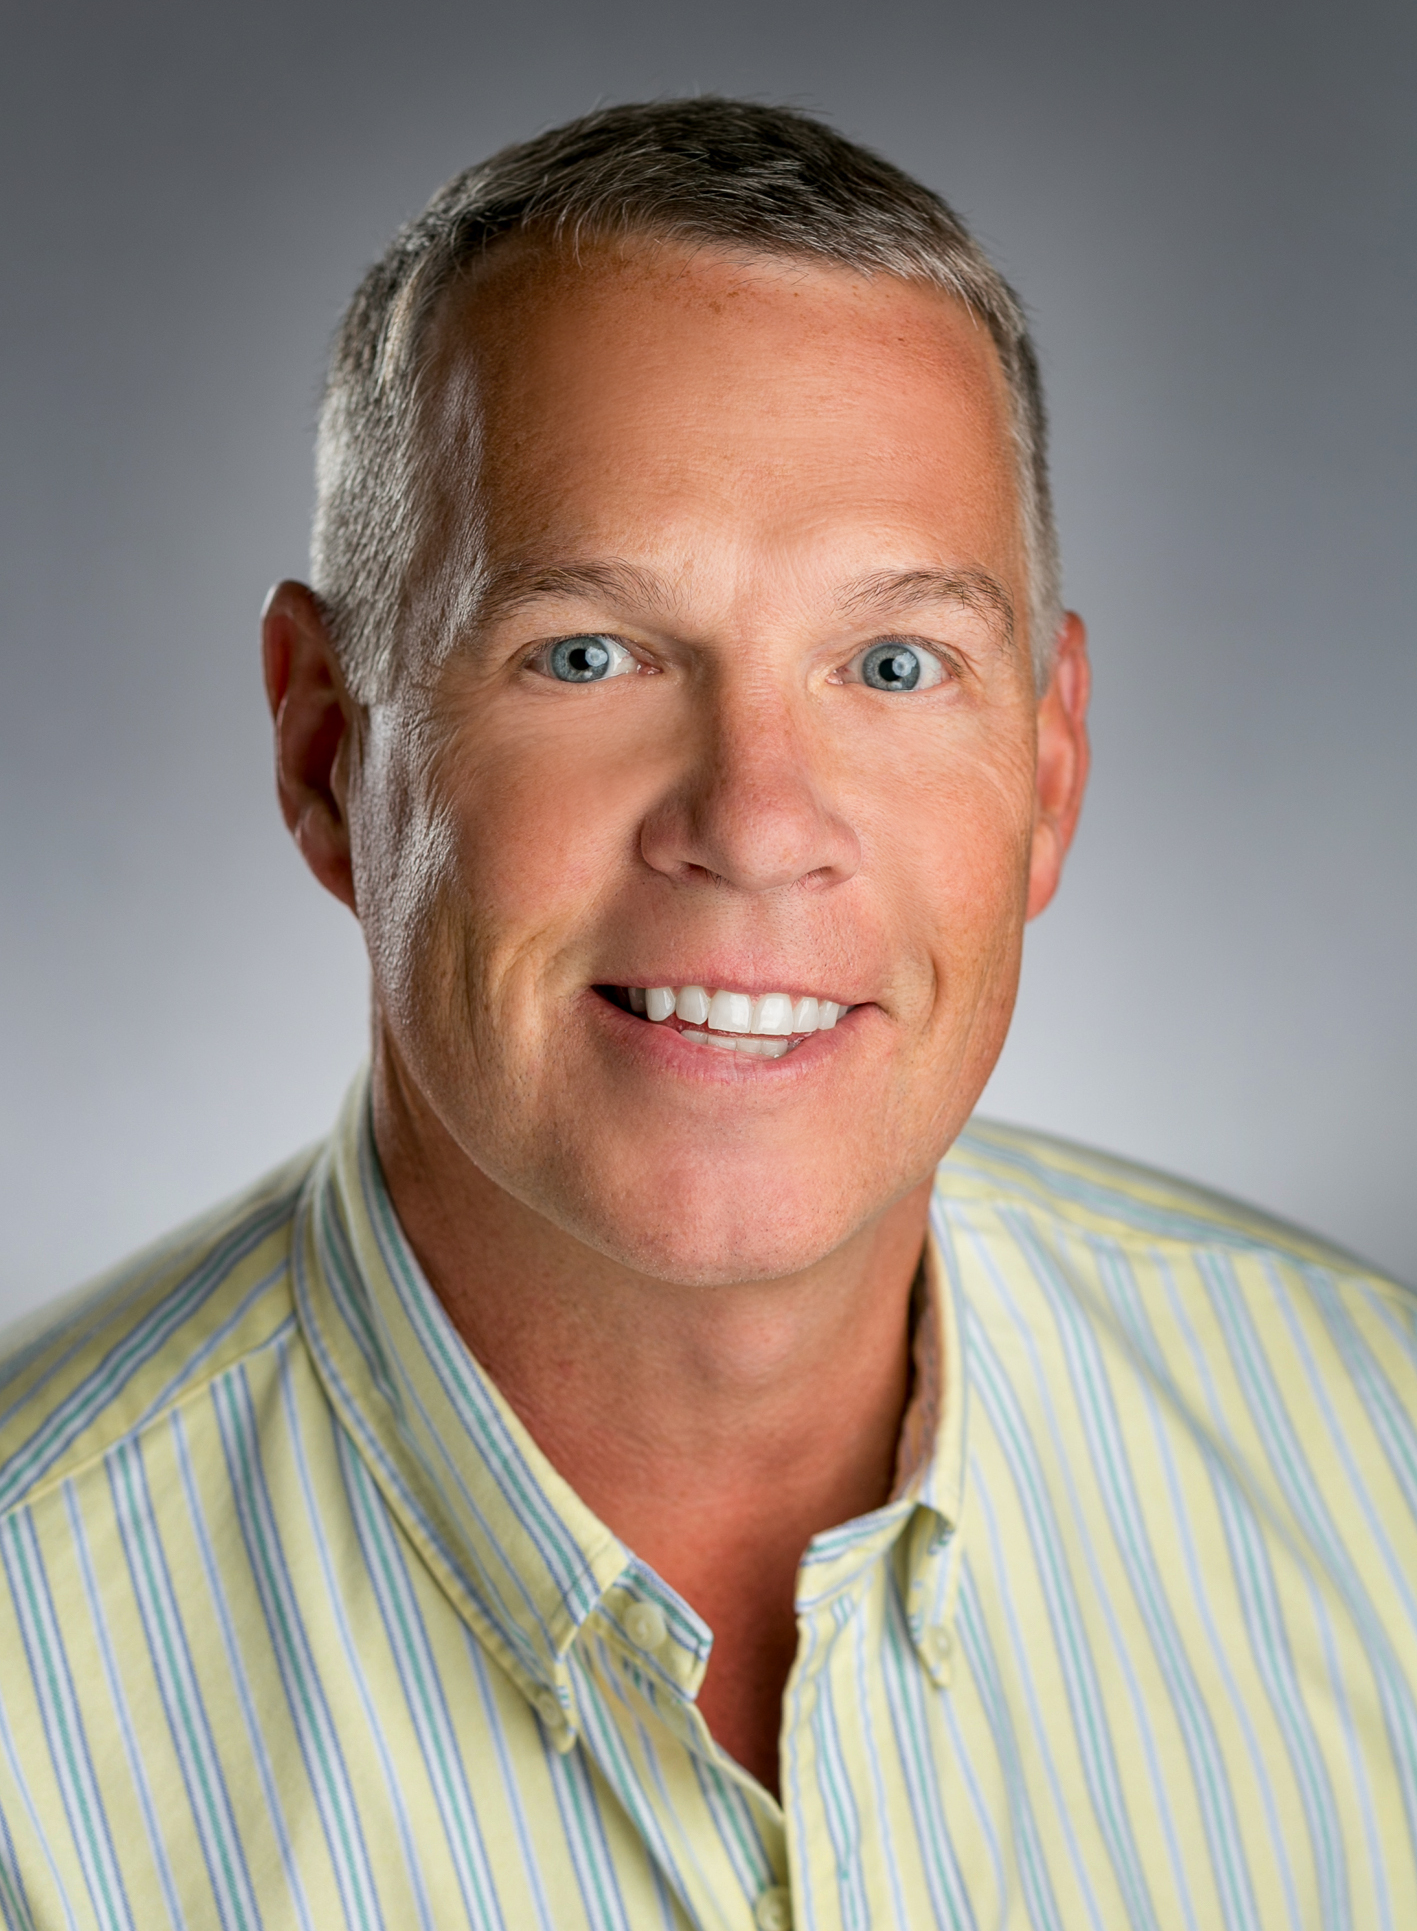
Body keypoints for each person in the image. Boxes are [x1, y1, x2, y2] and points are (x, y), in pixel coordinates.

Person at [0, 98, 1412, 1931]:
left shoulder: (1380, 1462)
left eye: (893, 663)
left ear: (1047, 769)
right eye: (587, 653)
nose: (751, 822)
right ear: (330, 748)